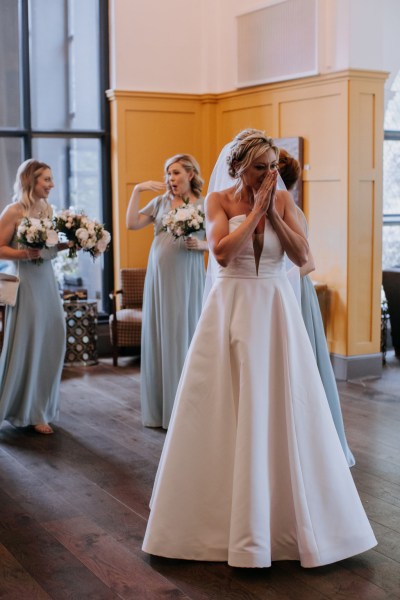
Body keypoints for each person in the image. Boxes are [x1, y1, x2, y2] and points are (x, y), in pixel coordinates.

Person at [142, 130, 377, 568]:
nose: (269, 174)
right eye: (259, 167)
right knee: (219, 405)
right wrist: (254, 214)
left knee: (281, 405)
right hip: (229, 308)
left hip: (273, 308)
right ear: (238, 168)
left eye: (272, 166)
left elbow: (303, 254)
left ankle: (288, 521)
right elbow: (223, 252)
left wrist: (275, 213)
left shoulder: (283, 201)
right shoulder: (217, 202)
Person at [278, 148, 355, 467]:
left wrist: (280, 282)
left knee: (303, 367)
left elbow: (308, 263)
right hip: (274, 292)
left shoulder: (294, 213)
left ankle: (313, 444)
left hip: (294, 291)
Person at [126, 154, 207, 429]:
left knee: (183, 330)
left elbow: (220, 240)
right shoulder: (160, 202)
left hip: (188, 274)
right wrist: (137, 190)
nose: (170, 179)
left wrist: (203, 246)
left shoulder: (205, 204)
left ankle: (186, 408)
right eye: (168, 174)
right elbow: (131, 224)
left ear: (190, 174)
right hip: (159, 276)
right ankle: (162, 407)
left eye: (175, 173)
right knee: (162, 333)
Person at [0, 159, 69, 434]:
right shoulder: (13, 211)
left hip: (47, 283)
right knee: (30, 341)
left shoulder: (47, 210)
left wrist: (70, 243)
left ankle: (41, 406)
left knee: (54, 336)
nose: (52, 185)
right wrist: (23, 254)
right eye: (47, 180)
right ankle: (25, 410)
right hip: (26, 284)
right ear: (31, 181)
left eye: (51, 179)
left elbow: (48, 251)